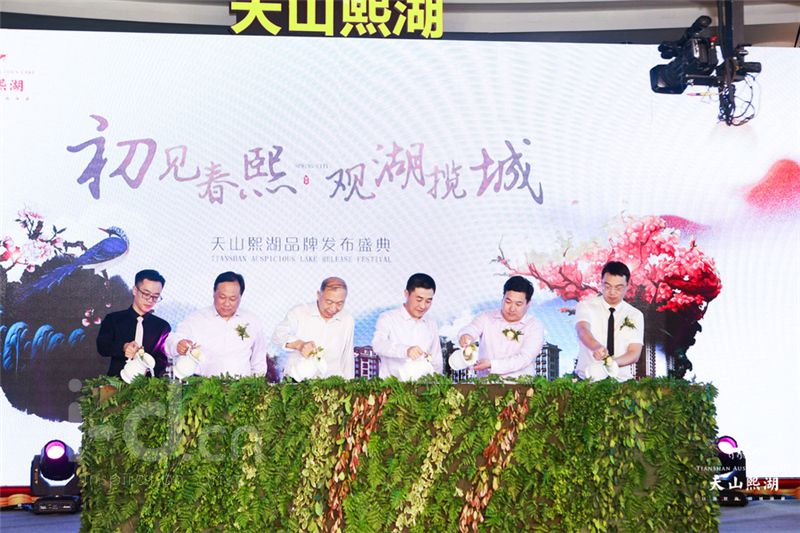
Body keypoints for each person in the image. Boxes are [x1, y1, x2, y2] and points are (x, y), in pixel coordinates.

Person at [166, 272, 268, 377]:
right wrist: (178, 344)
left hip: (241, 385)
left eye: (232, 299)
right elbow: (171, 341)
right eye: (222, 297)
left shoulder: (252, 321)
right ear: (214, 293)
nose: (227, 303)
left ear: (240, 297)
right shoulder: (196, 319)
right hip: (202, 384)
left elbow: (259, 362)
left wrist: (255, 384)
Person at [457, 276, 544, 378]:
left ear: (528, 304)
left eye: (518, 304)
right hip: (486, 385)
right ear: (502, 298)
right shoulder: (486, 317)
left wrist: (491, 364)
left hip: (521, 385)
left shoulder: (534, 326)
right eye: (508, 302)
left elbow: (524, 358)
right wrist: (466, 335)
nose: (512, 308)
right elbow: (472, 328)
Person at [272, 277, 354, 380]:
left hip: (332, 383)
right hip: (297, 382)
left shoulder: (347, 319)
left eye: (340, 303)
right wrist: (299, 344)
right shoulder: (299, 312)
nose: (333, 308)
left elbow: (347, 357)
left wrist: (350, 383)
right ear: (319, 295)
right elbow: (277, 336)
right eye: (329, 302)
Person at [575, 261, 644, 381]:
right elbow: (582, 330)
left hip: (622, 382)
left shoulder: (635, 315)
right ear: (601, 282)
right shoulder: (586, 306)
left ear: (627, 286)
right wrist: (596, 347)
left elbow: (634, 353)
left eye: (618, 288)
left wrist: (611, 364)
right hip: (587, 381)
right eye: (607, 286)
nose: (612, 292)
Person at [97, 269, 171, 378]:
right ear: (135, 290)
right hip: (115, 383)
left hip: (148, 385)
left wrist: (148, 367)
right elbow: (102, 347)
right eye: (146, 294)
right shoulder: (113, 319)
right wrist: (123, 347)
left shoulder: (162, 327)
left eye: (155, 296)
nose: (150, 300)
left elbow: (162, 360)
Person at [372, 273, 443, 380]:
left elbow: (436, 360)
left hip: (424, 388)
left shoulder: (431, 323)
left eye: (428, 301)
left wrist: (437, 383)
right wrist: (406, 350)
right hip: (392, 387)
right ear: (406, 294)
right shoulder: (387, 318)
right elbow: (378, 345)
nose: (423, 306)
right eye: (419, 299)